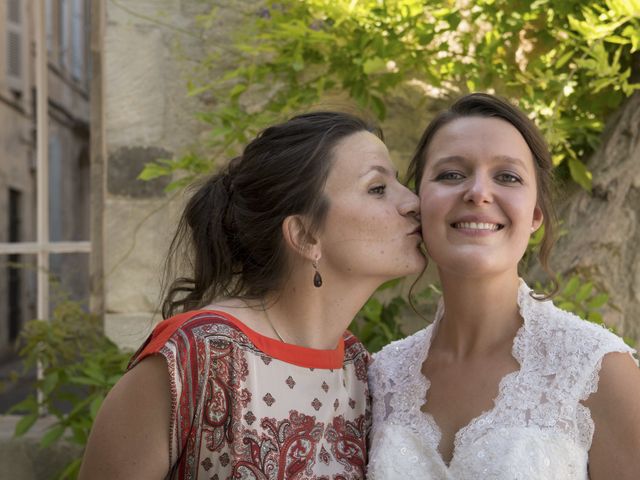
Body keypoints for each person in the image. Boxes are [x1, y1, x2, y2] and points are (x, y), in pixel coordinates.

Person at [79, 111, 425, 479]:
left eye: (399, 183)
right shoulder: (198, 355)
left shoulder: (361, 371)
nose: (413, 202)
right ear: (306, 236)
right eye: (377, 188)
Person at [367, 93, 640, 479]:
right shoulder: (381, 377)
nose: (478, 192)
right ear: (419, 205)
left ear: (534, 216)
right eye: (451, 174)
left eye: (507, 177)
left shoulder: (599, 371)